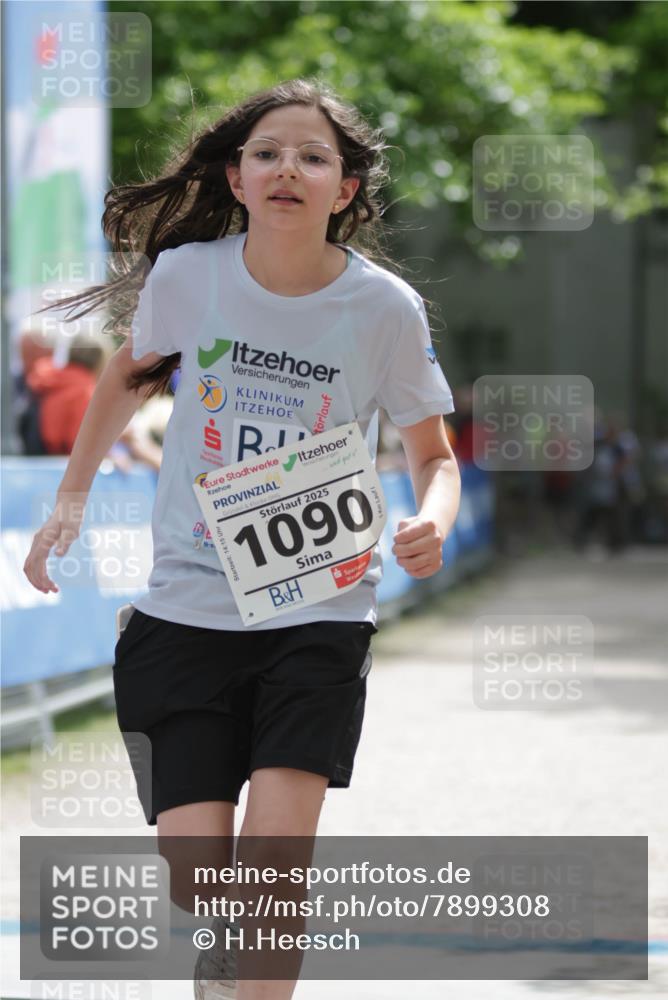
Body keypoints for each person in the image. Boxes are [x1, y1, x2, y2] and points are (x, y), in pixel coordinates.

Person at [22, 78, 461, 999]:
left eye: (313, 156)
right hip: (186, 609)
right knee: (198, 877)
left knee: (275, 864)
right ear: (237, 175)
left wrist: (432, 519)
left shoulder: (385, 308)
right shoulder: (192, 277)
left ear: (345, 190)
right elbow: (125, 381)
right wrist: (69, 499)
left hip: (319, 612)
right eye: (267, 152)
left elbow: (436, 455)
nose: (287, 169)